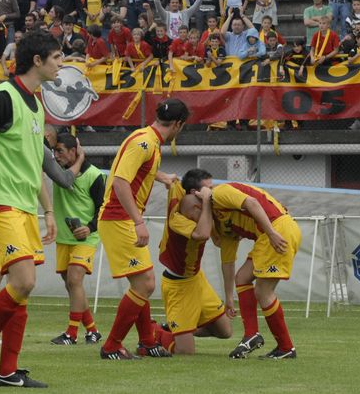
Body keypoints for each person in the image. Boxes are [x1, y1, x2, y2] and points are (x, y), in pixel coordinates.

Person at [0, 31, 60, 387]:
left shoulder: (36, 104)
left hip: (25, 209)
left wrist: (48, 211)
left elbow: (33, 165)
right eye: (56, 57)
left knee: (23, 290)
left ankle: (8, 370)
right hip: (2, 204)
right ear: (37, 60)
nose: (61, 63)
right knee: (23, 280)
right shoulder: (3, 96)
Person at [98, 98, 189, 360]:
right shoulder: (145, 143)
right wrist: (138, 221)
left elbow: (135, 171)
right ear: (178, 124)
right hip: (119, 218)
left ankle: (147, 342)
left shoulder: (147, 139)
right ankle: (112, 345)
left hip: (120, 217)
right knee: (146, 283)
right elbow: (120, 182)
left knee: (141, 282)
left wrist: (161, 177)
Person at [181, 169, 301, 360]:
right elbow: (227, 263)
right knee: (242, 278)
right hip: (270, 233)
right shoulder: (220, 223)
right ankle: (252, 335)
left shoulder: (219, 194)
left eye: (210, 187)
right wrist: (229, 298)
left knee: (263, 291)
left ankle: (285, 347)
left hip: (277, 230)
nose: (211, 190)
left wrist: (270, 233)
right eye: (208, 187)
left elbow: (252, 203)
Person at [154, 181, 232, 354]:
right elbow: (202, 234)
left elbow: (218, 241)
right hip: (178, 287)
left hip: (197, 279)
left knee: (225, 332)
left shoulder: (203, 214)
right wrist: (206, 202)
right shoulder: (178, 220)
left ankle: (178, 329)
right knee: (186, 353)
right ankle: (156, 333)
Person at [49, 133, 105, 346]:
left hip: (86, 237)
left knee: (74, 280)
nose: (55, 155)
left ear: (74, 151)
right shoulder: (57, 171)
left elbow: (103, 207)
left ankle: (71, 333)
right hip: (64, 237)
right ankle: (92, 330)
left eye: (60, 151)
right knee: (72, 286)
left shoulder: (94, 175)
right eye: (54, 151)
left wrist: (89, 227)